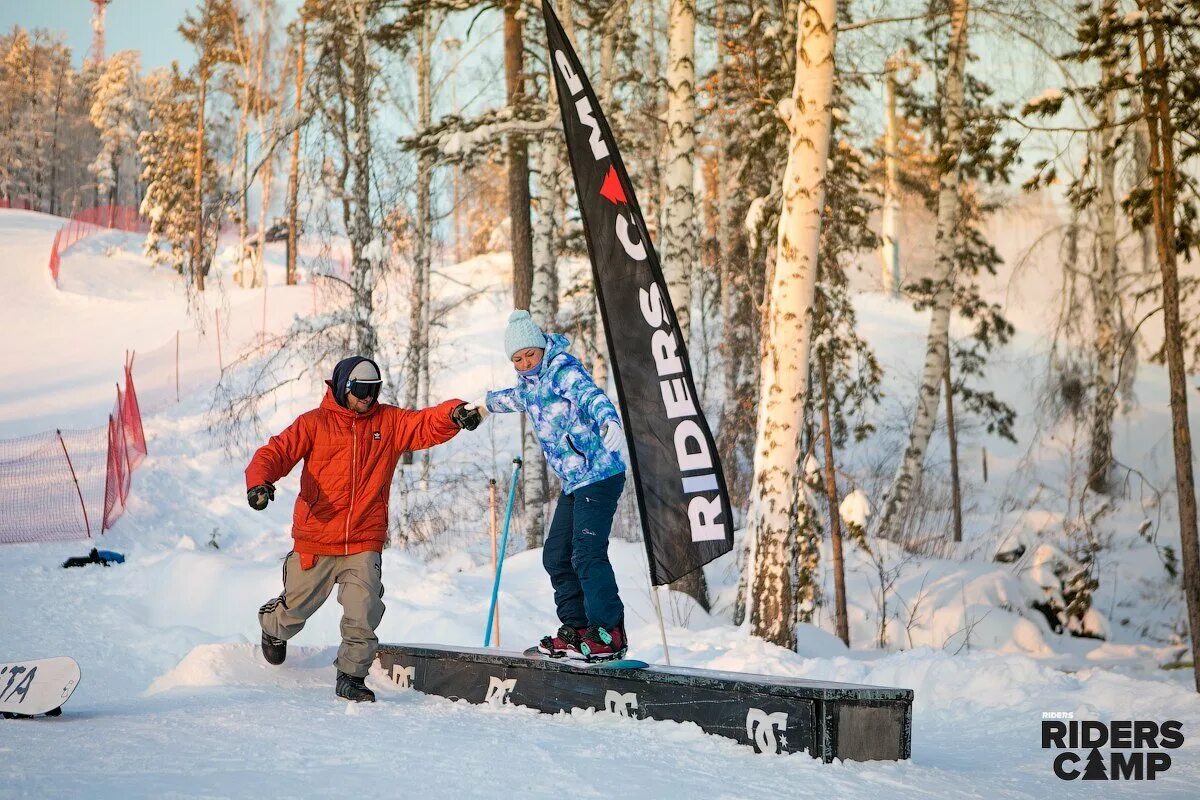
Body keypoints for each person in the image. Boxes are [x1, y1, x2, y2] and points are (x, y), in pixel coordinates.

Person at [246, 356, 481, 702]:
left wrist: (454, 414)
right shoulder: (314, 423)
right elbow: (276, 452)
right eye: (360, 390)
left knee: (364, 608)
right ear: (343, 388)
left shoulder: (388, 423)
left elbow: (425, 423)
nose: (367, 398)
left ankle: (351, 676)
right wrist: (259, 482)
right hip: (317, 536)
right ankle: (273, 626)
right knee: (295, 611)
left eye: (373, 390)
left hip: (363, 538)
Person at [470, 310, 628, 661]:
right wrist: (483, 406)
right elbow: (511, 397)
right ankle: (578, 629)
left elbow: (592, 397)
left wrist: (609, 421)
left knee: (587, 554)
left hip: (600, 473)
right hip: (575, 481)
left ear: (542, 347)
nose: (526, 363)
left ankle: (609, 632)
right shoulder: (530, 386)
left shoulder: (562, 371)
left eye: (531, 354)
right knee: (556, 556)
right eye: (518, 358)